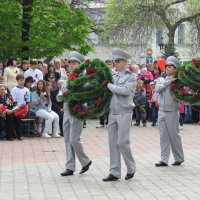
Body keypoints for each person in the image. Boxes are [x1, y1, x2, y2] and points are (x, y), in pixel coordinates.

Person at [102, 48, 137, 182]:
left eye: (118, 61)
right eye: (114, 61)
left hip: (124, 112)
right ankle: (115, 172)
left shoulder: (131, 76)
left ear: (125, 62)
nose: (115, 63)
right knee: (112, 143)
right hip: (113, 112)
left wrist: (110, 86)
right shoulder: (113, 76)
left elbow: (125, 90)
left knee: (122, 142)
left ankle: (131, 167)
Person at [57, 51, 92, 177]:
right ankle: (70, 167)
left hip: (77, 110)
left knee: (74, 139)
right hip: (67, 110)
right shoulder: (67, 80)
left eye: (74, 63)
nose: (71, 66)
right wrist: (62, 95)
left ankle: (85, 160)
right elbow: (59, 95)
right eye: (70, 63)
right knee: (67, 139)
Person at [155, 56, 184, 167]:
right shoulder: (162, 79)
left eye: (170, 66)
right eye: (166, 66)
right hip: (161, 111)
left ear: (175, 69)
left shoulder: (179, 82)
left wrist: (173, 82)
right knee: (163, 136)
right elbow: (157, 89)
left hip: (172, 111)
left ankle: (179, 158)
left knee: (174, 135)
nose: (167, 68)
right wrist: (168, 82)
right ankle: (164, 159)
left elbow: (181, 95)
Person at [11, 74, 30, 140]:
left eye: (23, 80)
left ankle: (19, 133)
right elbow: (13, 101)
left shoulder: (27, 89)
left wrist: (24, 107)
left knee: (17, 117)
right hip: (16, 108)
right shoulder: (14, 90)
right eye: (20, 80)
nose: (22, 82)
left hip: (25, 108)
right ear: (17, 81)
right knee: (15, 116)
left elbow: (27, 101)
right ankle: (19, 135)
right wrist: (19, 106)